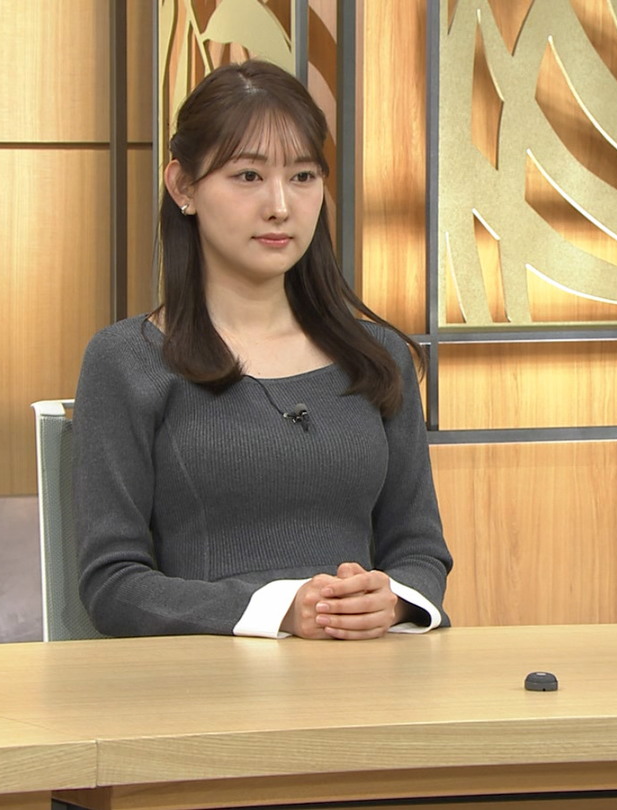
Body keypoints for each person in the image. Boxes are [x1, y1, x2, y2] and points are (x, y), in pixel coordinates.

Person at [72, 60, 452, 640]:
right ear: (183, 187)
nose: (280, 205)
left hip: (367, 675)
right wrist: (278, 609)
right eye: (248, 175)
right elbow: (113, 585)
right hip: (210, 682)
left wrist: (394, 600)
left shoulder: (377, 356)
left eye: (303, 176)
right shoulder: (127, 361)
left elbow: (419, 548)